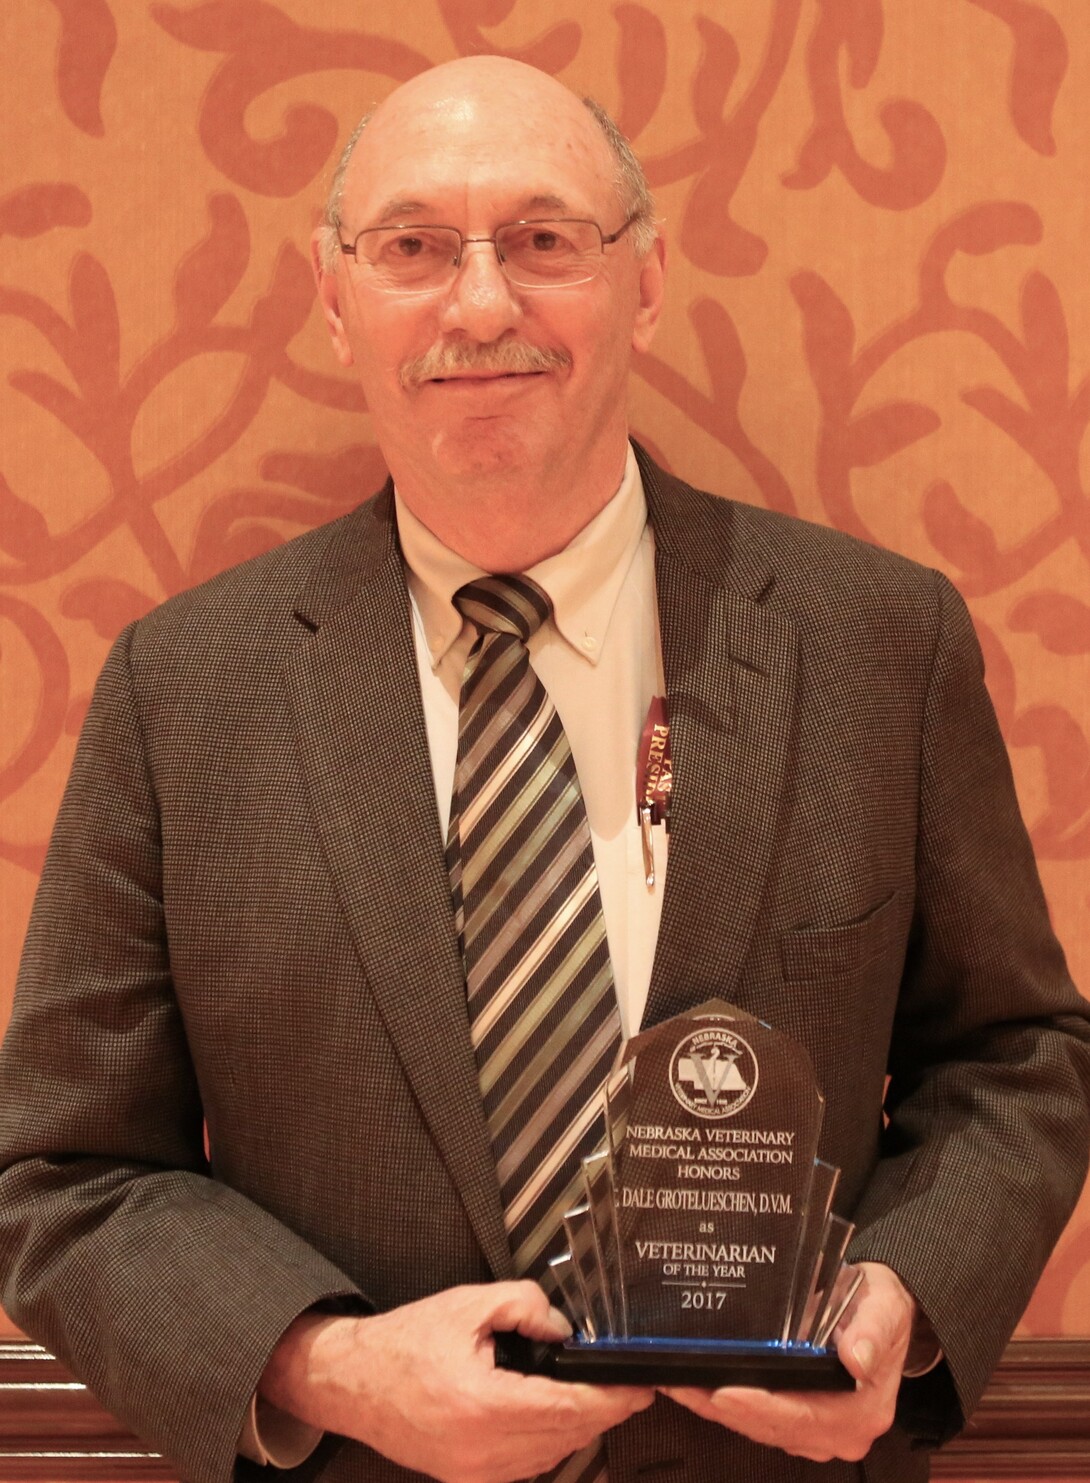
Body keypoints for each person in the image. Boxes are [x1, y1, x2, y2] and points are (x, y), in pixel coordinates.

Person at [0, 54, 1088, 1483]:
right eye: (412, 248)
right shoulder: (179, 689)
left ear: (643, 279)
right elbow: (62, 1177)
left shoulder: (878, 643)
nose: (479, 304)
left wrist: (902, 1302)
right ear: (334, 297)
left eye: (542, 240)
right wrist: (325, 1363)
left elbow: (1014, 1061)